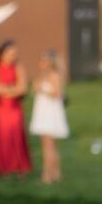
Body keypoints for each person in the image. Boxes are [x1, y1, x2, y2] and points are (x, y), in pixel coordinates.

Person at [0, 39, 32, 179]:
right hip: (1, 109)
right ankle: (4, 168)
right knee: (3, 138)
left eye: (14, 53)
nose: (13, 56)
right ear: (2, 54)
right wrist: (12, 89)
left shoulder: (19, 68)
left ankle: (20, 167)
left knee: (17, 136)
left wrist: (6, 90)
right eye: (10, 53)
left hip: (15, 108)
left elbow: (23, 89)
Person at [28, 48, 70, 184]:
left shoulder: (53, 75)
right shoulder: (42, 76)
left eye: (44, 60)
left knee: (48, 146)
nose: (41, 63)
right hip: (43, 110)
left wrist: (42, 89)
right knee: (50, 145)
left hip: (50, 113)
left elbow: (57, 94)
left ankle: (47, 175)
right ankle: (56, 173)